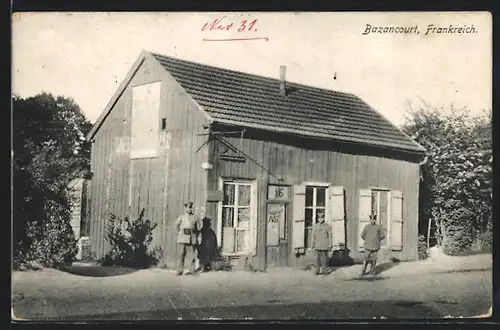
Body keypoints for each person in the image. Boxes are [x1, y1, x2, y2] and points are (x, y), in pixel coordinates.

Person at [175, 202, 202, 276]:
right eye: (187, 207)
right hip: (183, 238)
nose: (189, 209)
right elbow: (176, 225)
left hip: (191, 238)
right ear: (185, 208)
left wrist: (198, 237)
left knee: (191, 255)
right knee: (181, 254)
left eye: (190, 207)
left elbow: (198, 228)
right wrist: (179, 233)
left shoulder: (195, 217)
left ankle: (192, 270)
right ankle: (179, 271)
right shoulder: (181, 217)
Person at [309, 210, 332, 275]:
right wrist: (312, 245)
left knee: (324, 260)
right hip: (317, 245)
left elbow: (330, 236)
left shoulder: (327, 226)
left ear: (324, 218)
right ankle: (317, 270)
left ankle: (324, 271)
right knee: (317, 260)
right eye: (319, 218)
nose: (320, 219)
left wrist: (330, 244)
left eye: (322, 218)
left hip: (324, 245)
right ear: (317, 219)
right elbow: (313, 236)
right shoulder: (315, 226)